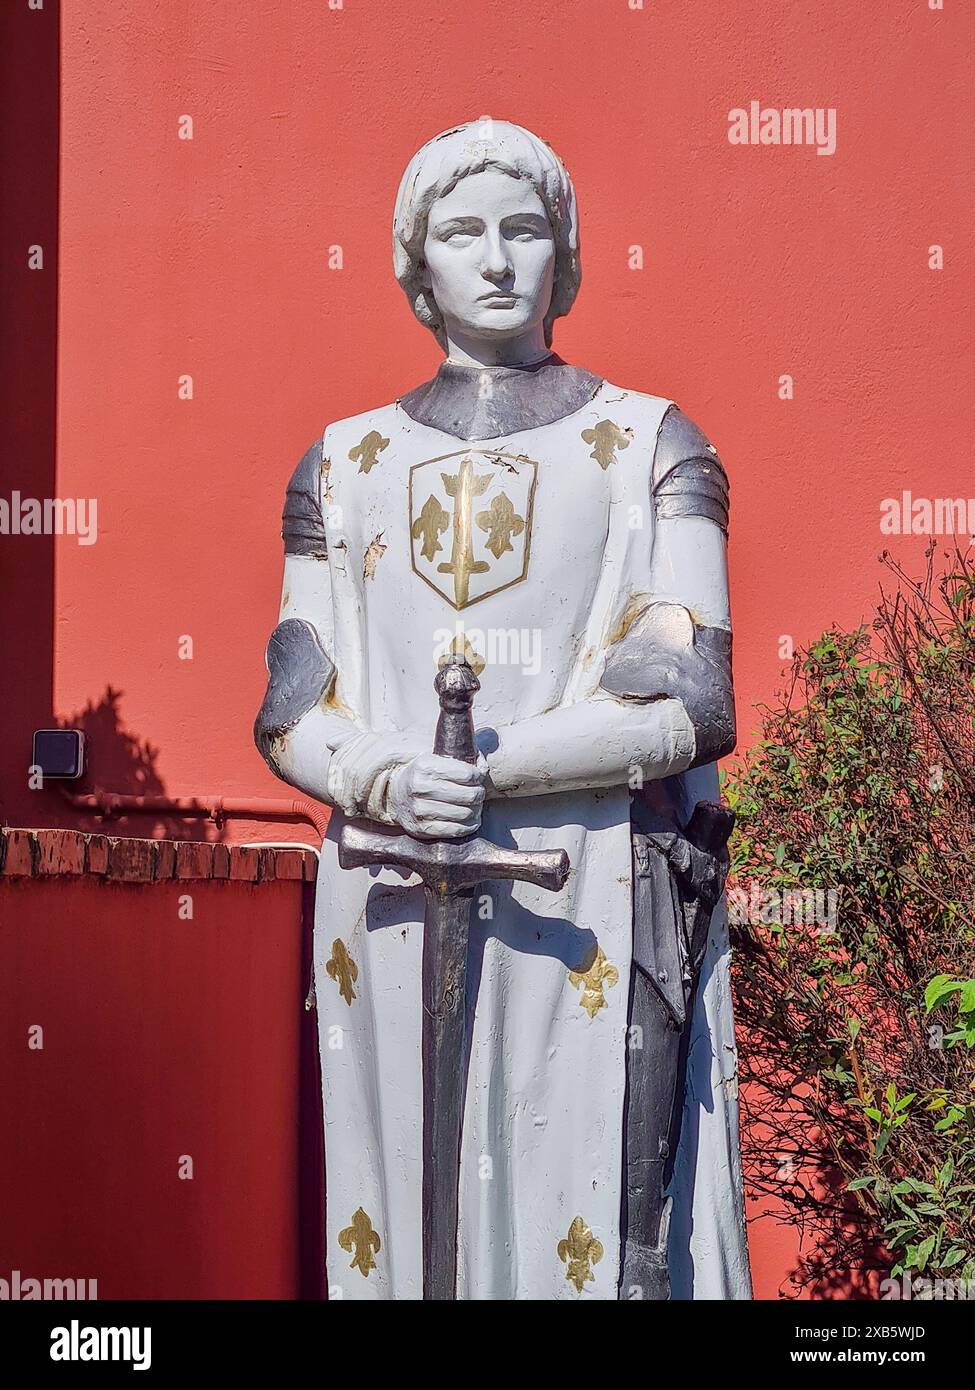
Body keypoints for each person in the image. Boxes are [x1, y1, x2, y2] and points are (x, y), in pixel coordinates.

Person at [256, 118, 750, 1300]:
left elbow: (697, 703)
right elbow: (289, 708)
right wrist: (385, 776)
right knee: (402, 1211)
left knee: (587, 1198)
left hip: (591, 889)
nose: (494, 259)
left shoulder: (650, 444)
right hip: (385, 891)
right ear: (415, 260)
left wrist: (494, 765)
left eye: (523, 230)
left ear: (563, 254)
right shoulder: (340, 463)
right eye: (460, 231)